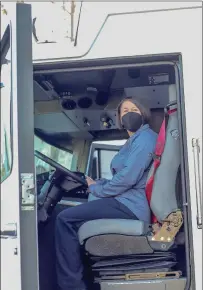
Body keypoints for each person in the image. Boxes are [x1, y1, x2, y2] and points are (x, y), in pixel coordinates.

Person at [55, 97, 158, 290]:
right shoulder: (133, 141)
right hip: (125, 201)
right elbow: (124, 176)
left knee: (64, 219)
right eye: (124, 111)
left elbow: (128, 178)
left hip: (131, 205)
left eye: (134, 109)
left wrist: (97, 189)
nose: (129, 114)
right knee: (75, 217)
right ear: (119, 118)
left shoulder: (145, 138)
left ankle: (72, 286)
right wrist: (99, 183)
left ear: (143, 113)